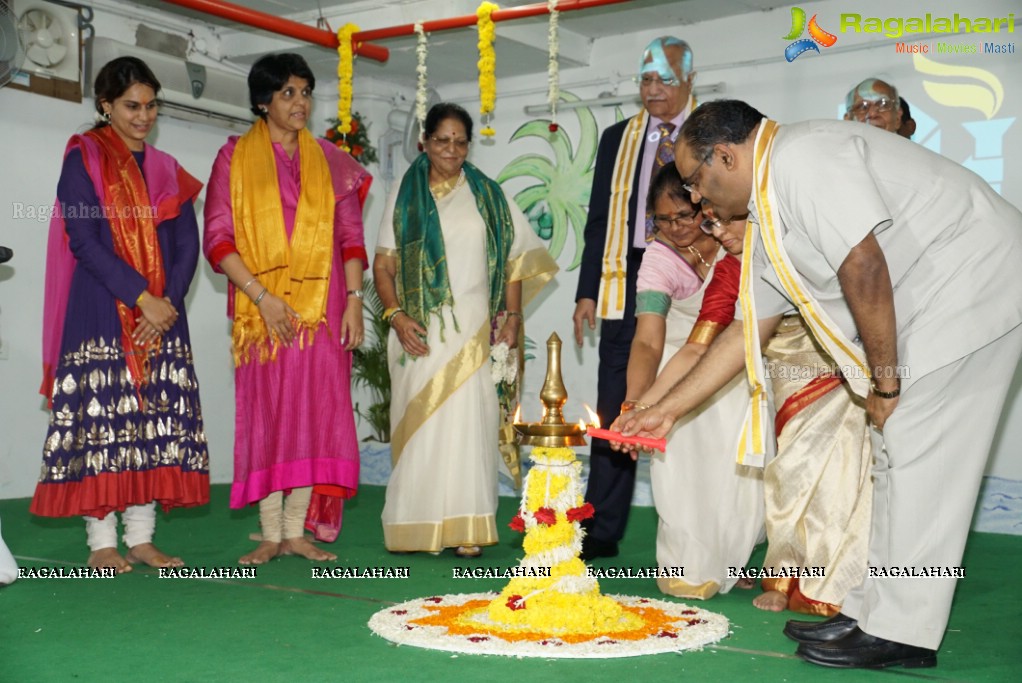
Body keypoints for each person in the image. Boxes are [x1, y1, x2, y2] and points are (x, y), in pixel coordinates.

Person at [618, 99, 1022, 669]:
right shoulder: (768, 209)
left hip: (973, 285)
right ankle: (874, 612)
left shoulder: (800, 157)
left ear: (727, 156)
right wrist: (667, 411)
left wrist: (884, 383)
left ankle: (903, 632)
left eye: (696, 183)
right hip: (939, 299)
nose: (698, 200)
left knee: (919, 454)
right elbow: (744, 333)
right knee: (894, 454)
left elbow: (863, 264)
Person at [31, 57, 209, 573]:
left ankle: (142, 537)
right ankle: (102, 541)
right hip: (102, 307)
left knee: (151, 419)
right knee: (103, 419)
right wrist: (139, 296)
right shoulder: (83, 159)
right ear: (105, 105)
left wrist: (165, 303)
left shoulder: (166, 168)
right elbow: (83, 240)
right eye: (132, 105)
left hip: (162, 314)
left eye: (151, 105)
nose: (143, 115)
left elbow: (185, 244)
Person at [203, 53, 371, 565]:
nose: (300, 103)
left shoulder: (329, 159)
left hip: (324, 309)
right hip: (264, 315)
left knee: (315, 416)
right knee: (270, 415)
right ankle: (271, 532)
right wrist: (262, 297)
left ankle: (296, 531)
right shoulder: (234, 158)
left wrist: (356, 303)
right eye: (288, 94)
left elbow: (349, 238)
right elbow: (217, 239)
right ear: (263, 101)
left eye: (304, 92)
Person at [374, 103, 557, 558]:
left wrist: (512, 318)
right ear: (425, 142)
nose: (451, 150)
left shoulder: (487, 194)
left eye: (460, 141)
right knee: (421, 424)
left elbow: (516, 258)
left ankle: (467, 527)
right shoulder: (404, 191)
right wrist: (394, 315)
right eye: (442, 140)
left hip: (475, 323)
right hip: (418, 326)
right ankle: (416, 524)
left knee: (469, 424)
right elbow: (384, 264)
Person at [573, 36, 696, 560]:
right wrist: (586, 293)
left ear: (690, 80)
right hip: (628, 279)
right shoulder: (616, 138)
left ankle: (704, 524)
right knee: (617, 398)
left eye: (664, 79)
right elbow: (599, 220)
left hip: (697, 276)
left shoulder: (709, 129)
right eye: (645, 79)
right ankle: (600, 527)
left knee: (700, 397)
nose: (653, 90)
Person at [625, 166, 763, 599]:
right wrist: (637, 405)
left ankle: (731, 557)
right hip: (674, 372)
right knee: (681, 473)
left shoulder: (737, 241)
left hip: (733, 369)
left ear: (704, 205)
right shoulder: (659, 258)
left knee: (735, 473)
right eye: (662, 220)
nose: (675, 229)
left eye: (683, 216)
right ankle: (686, 565)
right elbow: (648, 342)